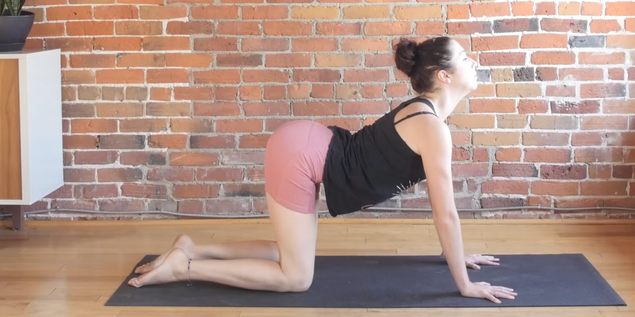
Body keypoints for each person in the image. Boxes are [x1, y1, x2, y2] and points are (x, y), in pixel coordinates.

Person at [127, 36, 517, 304]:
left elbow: (444, 214)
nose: (475, 62)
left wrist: (459, 253)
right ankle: (185, 267)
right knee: (296, 278)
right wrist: (463, 285)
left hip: (307, 146)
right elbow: (444, 213)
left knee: (293, 256)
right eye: (466, 58)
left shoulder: (427, 117)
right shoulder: (432, 126)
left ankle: (193, 247)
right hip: (302, 155)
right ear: (444, 76)